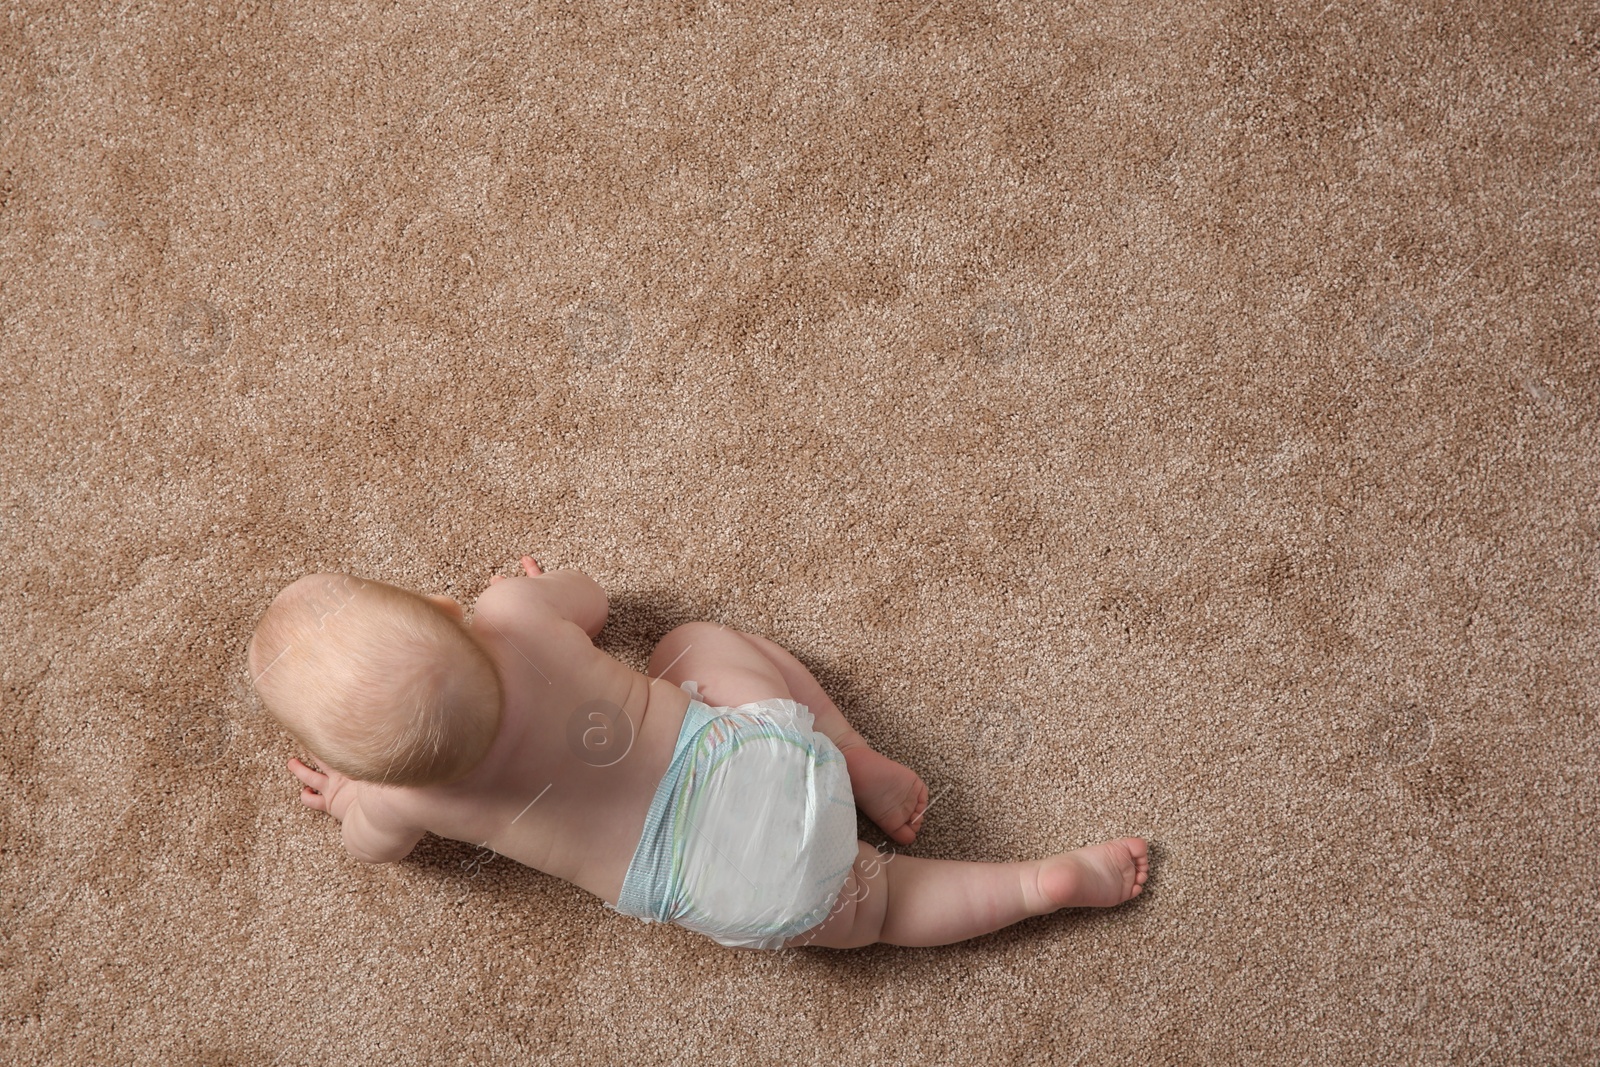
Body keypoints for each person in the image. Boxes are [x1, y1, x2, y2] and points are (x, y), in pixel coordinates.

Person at [248, 558, 1147, 950]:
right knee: (688, 645)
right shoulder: (514, 619)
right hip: (752, 761)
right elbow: (592, 600)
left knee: (882, 908)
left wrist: (347, 801)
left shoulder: (402, 803)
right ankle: (850, 754)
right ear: (445, 612)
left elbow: (372, 842)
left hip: (727, 883)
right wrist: (521, 590)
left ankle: (1035, 888)